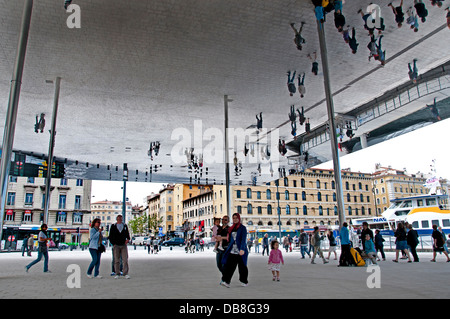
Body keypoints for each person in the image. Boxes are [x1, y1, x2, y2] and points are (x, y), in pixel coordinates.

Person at [220, 213, 249, 288]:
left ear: (239, 218)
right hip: (232, 250)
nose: (235, 219)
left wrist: (242, 249)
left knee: (242, 267)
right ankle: (226, 281)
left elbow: (243, 239)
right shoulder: (231, 228)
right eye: (233, 218)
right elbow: (230, 239)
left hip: (240, 250)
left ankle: (244, 281)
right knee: (230, 266)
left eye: (236, 218)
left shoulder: (243, 228)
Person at [109, 215, 131, 279]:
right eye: (118, 219)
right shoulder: (113, 226)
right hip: (116, 245)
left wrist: (127, 239)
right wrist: (113, 243)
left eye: (120, 219)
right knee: (116, 260)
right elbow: (111, 235)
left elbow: (127, 234)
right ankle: (117, 273)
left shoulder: (124, 226)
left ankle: (125, 273)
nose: (119, 220)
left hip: (123, 244)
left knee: (125, 259)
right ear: (116, 219)